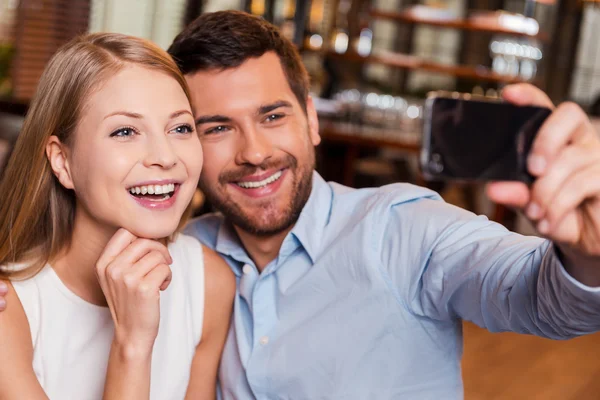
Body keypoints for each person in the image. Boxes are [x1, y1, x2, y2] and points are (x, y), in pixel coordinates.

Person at [2, 10, 600, 399]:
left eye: (273, 116)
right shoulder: (199, 256)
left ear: (312, 120)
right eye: (212, 127)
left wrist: (587, 252)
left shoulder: (402, 230)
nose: (255, 152)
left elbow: (541, 299)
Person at [0, 33, 234, 399]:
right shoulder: (9, 309)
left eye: (180, 128)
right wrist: (133, 345)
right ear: (62, 161)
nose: (165, 156)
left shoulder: (209, 282)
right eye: (125, 131)